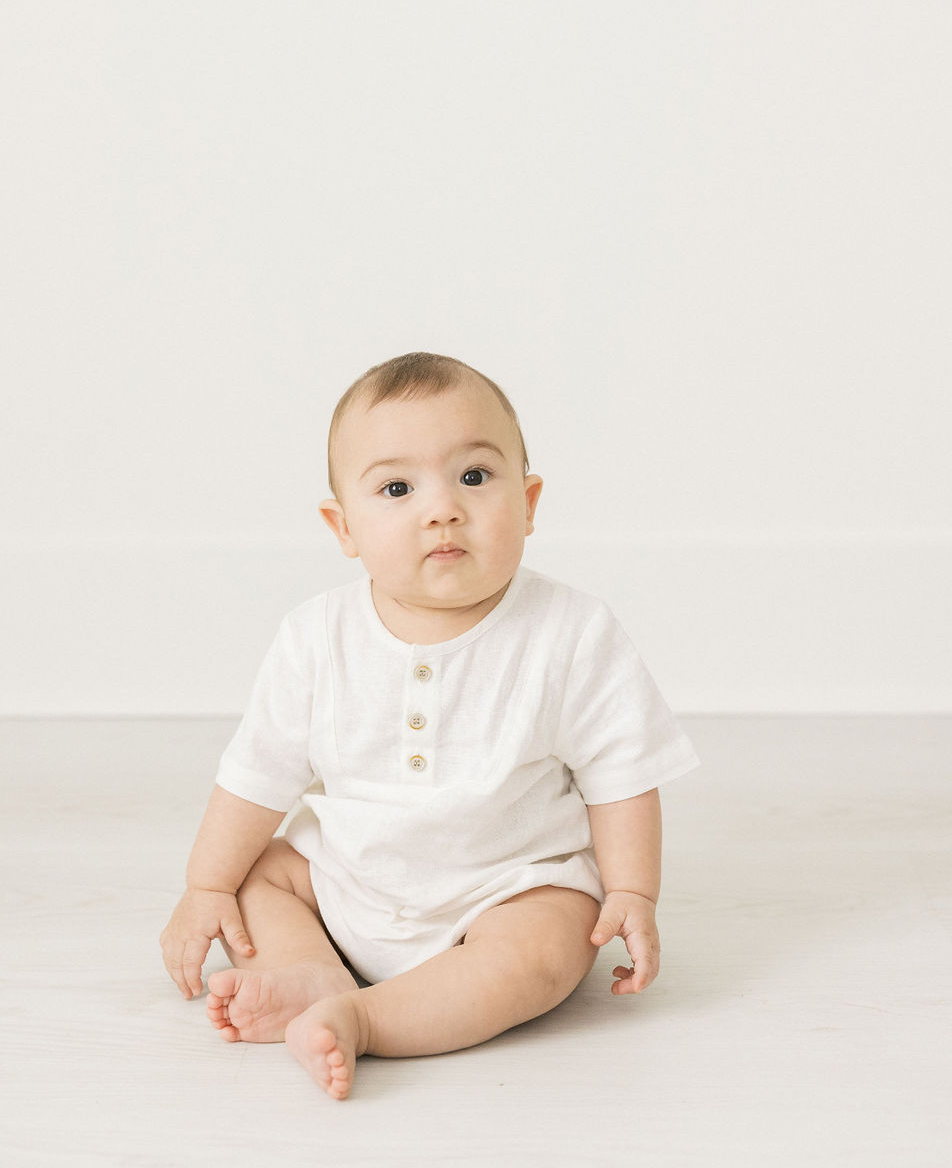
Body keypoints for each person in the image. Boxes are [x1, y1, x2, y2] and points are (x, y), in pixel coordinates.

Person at [160, 351, 699, 1099]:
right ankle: (310, 969)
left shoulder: (572, 631)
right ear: (343, 526)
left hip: (507, 889)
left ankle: (368, 1019)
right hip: (348, 879)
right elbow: (257, 774)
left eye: (474, 477)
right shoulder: (316, 636)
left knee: (554, 943)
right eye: (396, 488)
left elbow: (622, 776)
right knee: (257, 876)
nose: (442, 507)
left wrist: (633, 894)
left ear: (531, 500)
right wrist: (205, 884)